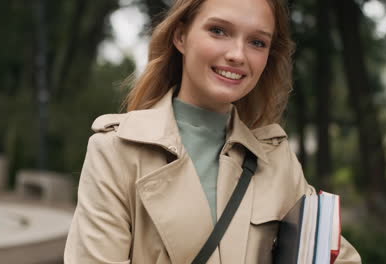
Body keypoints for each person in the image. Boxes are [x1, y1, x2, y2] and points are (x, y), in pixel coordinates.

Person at [64, 0, 361, 263]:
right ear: (181, 36)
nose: (237, 55)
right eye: (219, 31)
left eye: (257, 42)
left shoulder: (276, 159)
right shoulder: (116, 150)